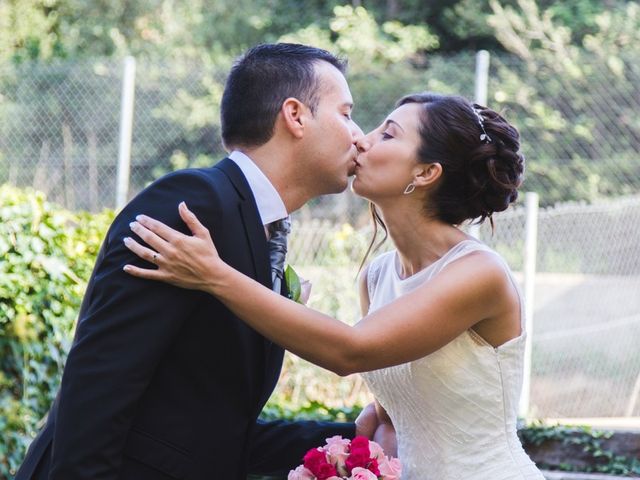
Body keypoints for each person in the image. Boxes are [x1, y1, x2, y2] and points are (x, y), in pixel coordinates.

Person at [123, 92, 547, 479]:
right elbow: (396, 414)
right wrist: (364, 446)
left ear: (426, 172)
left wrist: (213, 274)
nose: (363, 139)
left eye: (388, 134)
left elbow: (351, 350)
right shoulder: (377, 275)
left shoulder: (478, 273)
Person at [15, 43, 381, 480]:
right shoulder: (194, 203)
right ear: (295, 115)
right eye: (346, 113)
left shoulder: (256, 226)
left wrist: (352, 440)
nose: (359, 135)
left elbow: (211, 432)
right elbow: (100, 382)